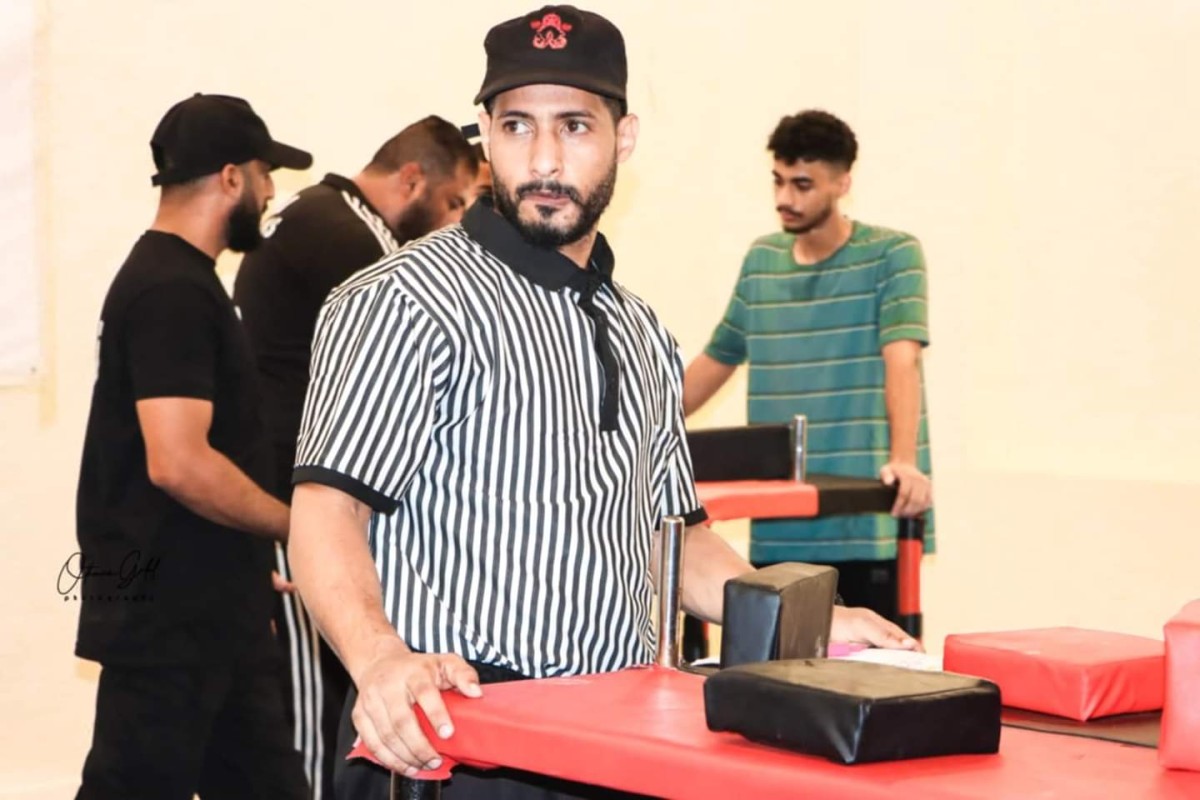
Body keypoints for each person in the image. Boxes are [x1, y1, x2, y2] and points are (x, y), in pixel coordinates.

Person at [287, 10, 919, 799]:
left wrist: (805, 624)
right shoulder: (404, 301)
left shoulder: (641, 330)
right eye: (517, 125)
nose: (544, 158)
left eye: (575, 126)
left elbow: (677, 546)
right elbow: (324, 511)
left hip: (616, 749)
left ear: (623, 139)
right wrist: (379, 657)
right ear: (485, 133)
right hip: (458, 747)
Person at [232, 114, 477, 800]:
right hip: (304, 507)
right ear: (411, 179)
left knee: (296, 716)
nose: (458, 225)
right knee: (319, 726)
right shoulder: (364, 250)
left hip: (284, 493)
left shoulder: (312, 214)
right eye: (457, 204)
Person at [73, 93, 311, 799]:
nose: (271, 194)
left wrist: (238, 566)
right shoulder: (168, 289)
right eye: (268, 175)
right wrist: (295, 527)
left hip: (210, 609)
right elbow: (177, 462)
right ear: (233, 177)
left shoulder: (185, 283)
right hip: (168, 626)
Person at [683, 110, 934, 620]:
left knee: (867, 673)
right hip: (779, 522)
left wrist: (904, 461)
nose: (784, 199)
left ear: (842, 183)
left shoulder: (893, 254)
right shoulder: (762, 261)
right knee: (774, 677)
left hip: (864, 520)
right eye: (777, 181)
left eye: (802, 184)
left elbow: (902, 357)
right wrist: (635, 431)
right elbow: (716, 360)